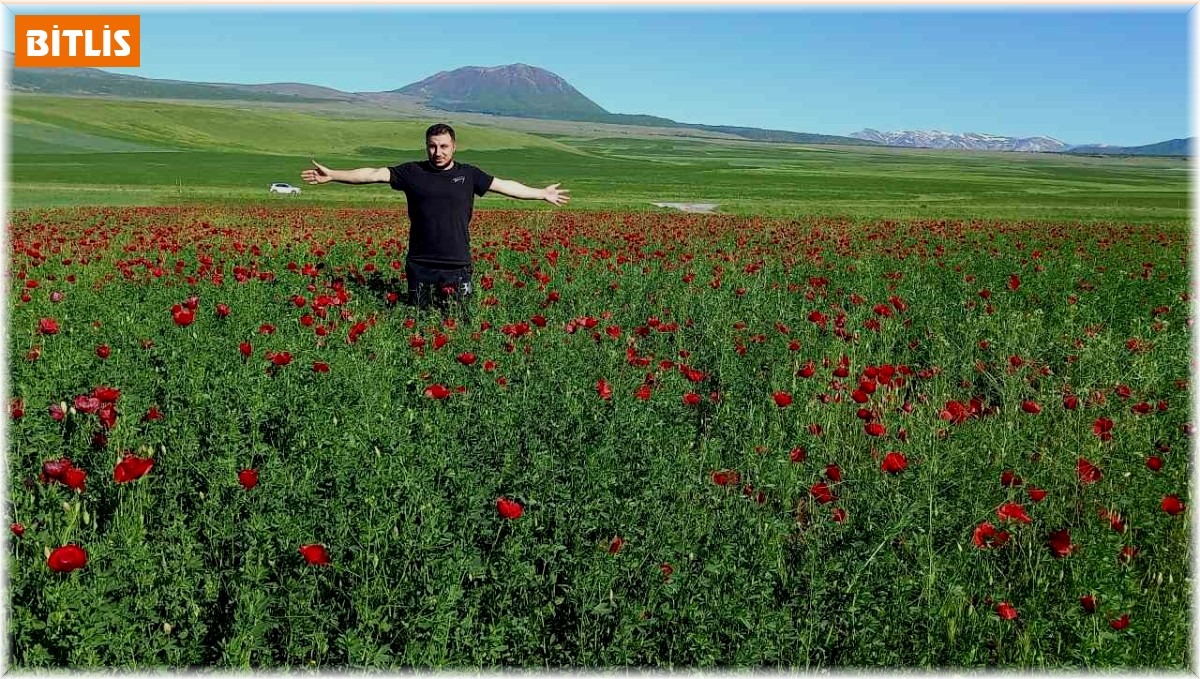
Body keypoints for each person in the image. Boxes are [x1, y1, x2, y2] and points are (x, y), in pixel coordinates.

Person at [300, 123, 570, 316]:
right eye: (432, 146)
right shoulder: (412, 172)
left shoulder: (469, 175)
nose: (437, 152)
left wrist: (541, 193)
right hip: (420, 263)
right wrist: (334, 174)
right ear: (426, 147)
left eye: (443, 146)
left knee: (460, 320)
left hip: (457, 263)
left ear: (454, 147)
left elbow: (506, 186)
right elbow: (372, 173)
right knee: (419, 321)